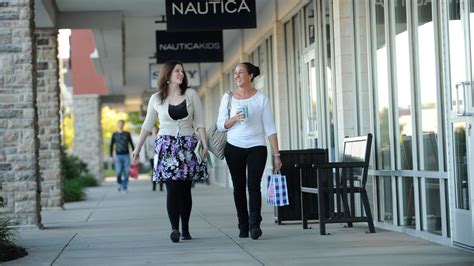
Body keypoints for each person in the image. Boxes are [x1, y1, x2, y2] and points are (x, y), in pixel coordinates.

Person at [132, 61, 208, 243]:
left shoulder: (191, 94)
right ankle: (174, 228)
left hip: (188, 146)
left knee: (185, 190)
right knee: (172, 189)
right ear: (167, 75)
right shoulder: (157, 99)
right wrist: (137, 148)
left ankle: (186, 228)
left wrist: (205, 145)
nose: (181, 73)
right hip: (167, 147)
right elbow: (147, 125)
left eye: (182, 71)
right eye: (177, 71)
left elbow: (200, 122)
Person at [216, 62, 282, 240]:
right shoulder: (228, 97)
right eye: (235, 73)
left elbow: (270, 128)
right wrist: (234, 119)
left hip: (257, 148)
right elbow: (220, 126)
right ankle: (242, 225)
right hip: (234, 147)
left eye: (240, 73)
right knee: (238, 187)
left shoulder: (261, 99)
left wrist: (277, 154)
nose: (236, 76)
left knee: (253, 186)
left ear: (250, 75)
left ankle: (255, 225)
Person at [110, 120, 135, 192]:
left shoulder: (127, 134)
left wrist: (135, 154)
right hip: (118, 155)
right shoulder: (114, 134)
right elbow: (111, 145)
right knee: (118, 172)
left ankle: (124, 187)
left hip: (126, 155)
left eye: (122, 124)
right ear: (117, 125)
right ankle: (120, 184)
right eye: (119, 124)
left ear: (123, 125)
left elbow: (131, 144)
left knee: (126, 172)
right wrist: (111, 155)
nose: (120, 125)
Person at [145, 126, 162, 191]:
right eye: (153, 129)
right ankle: (154, 186)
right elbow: (147, 148)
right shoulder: (149, 138)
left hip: (159, 156)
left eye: (156, 129)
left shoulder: (159, 137)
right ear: (151, 130)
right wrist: (148, 155)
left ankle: (161, 186)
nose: (154, 130)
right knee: (154, 171)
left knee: (160, 170)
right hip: (152, 156)